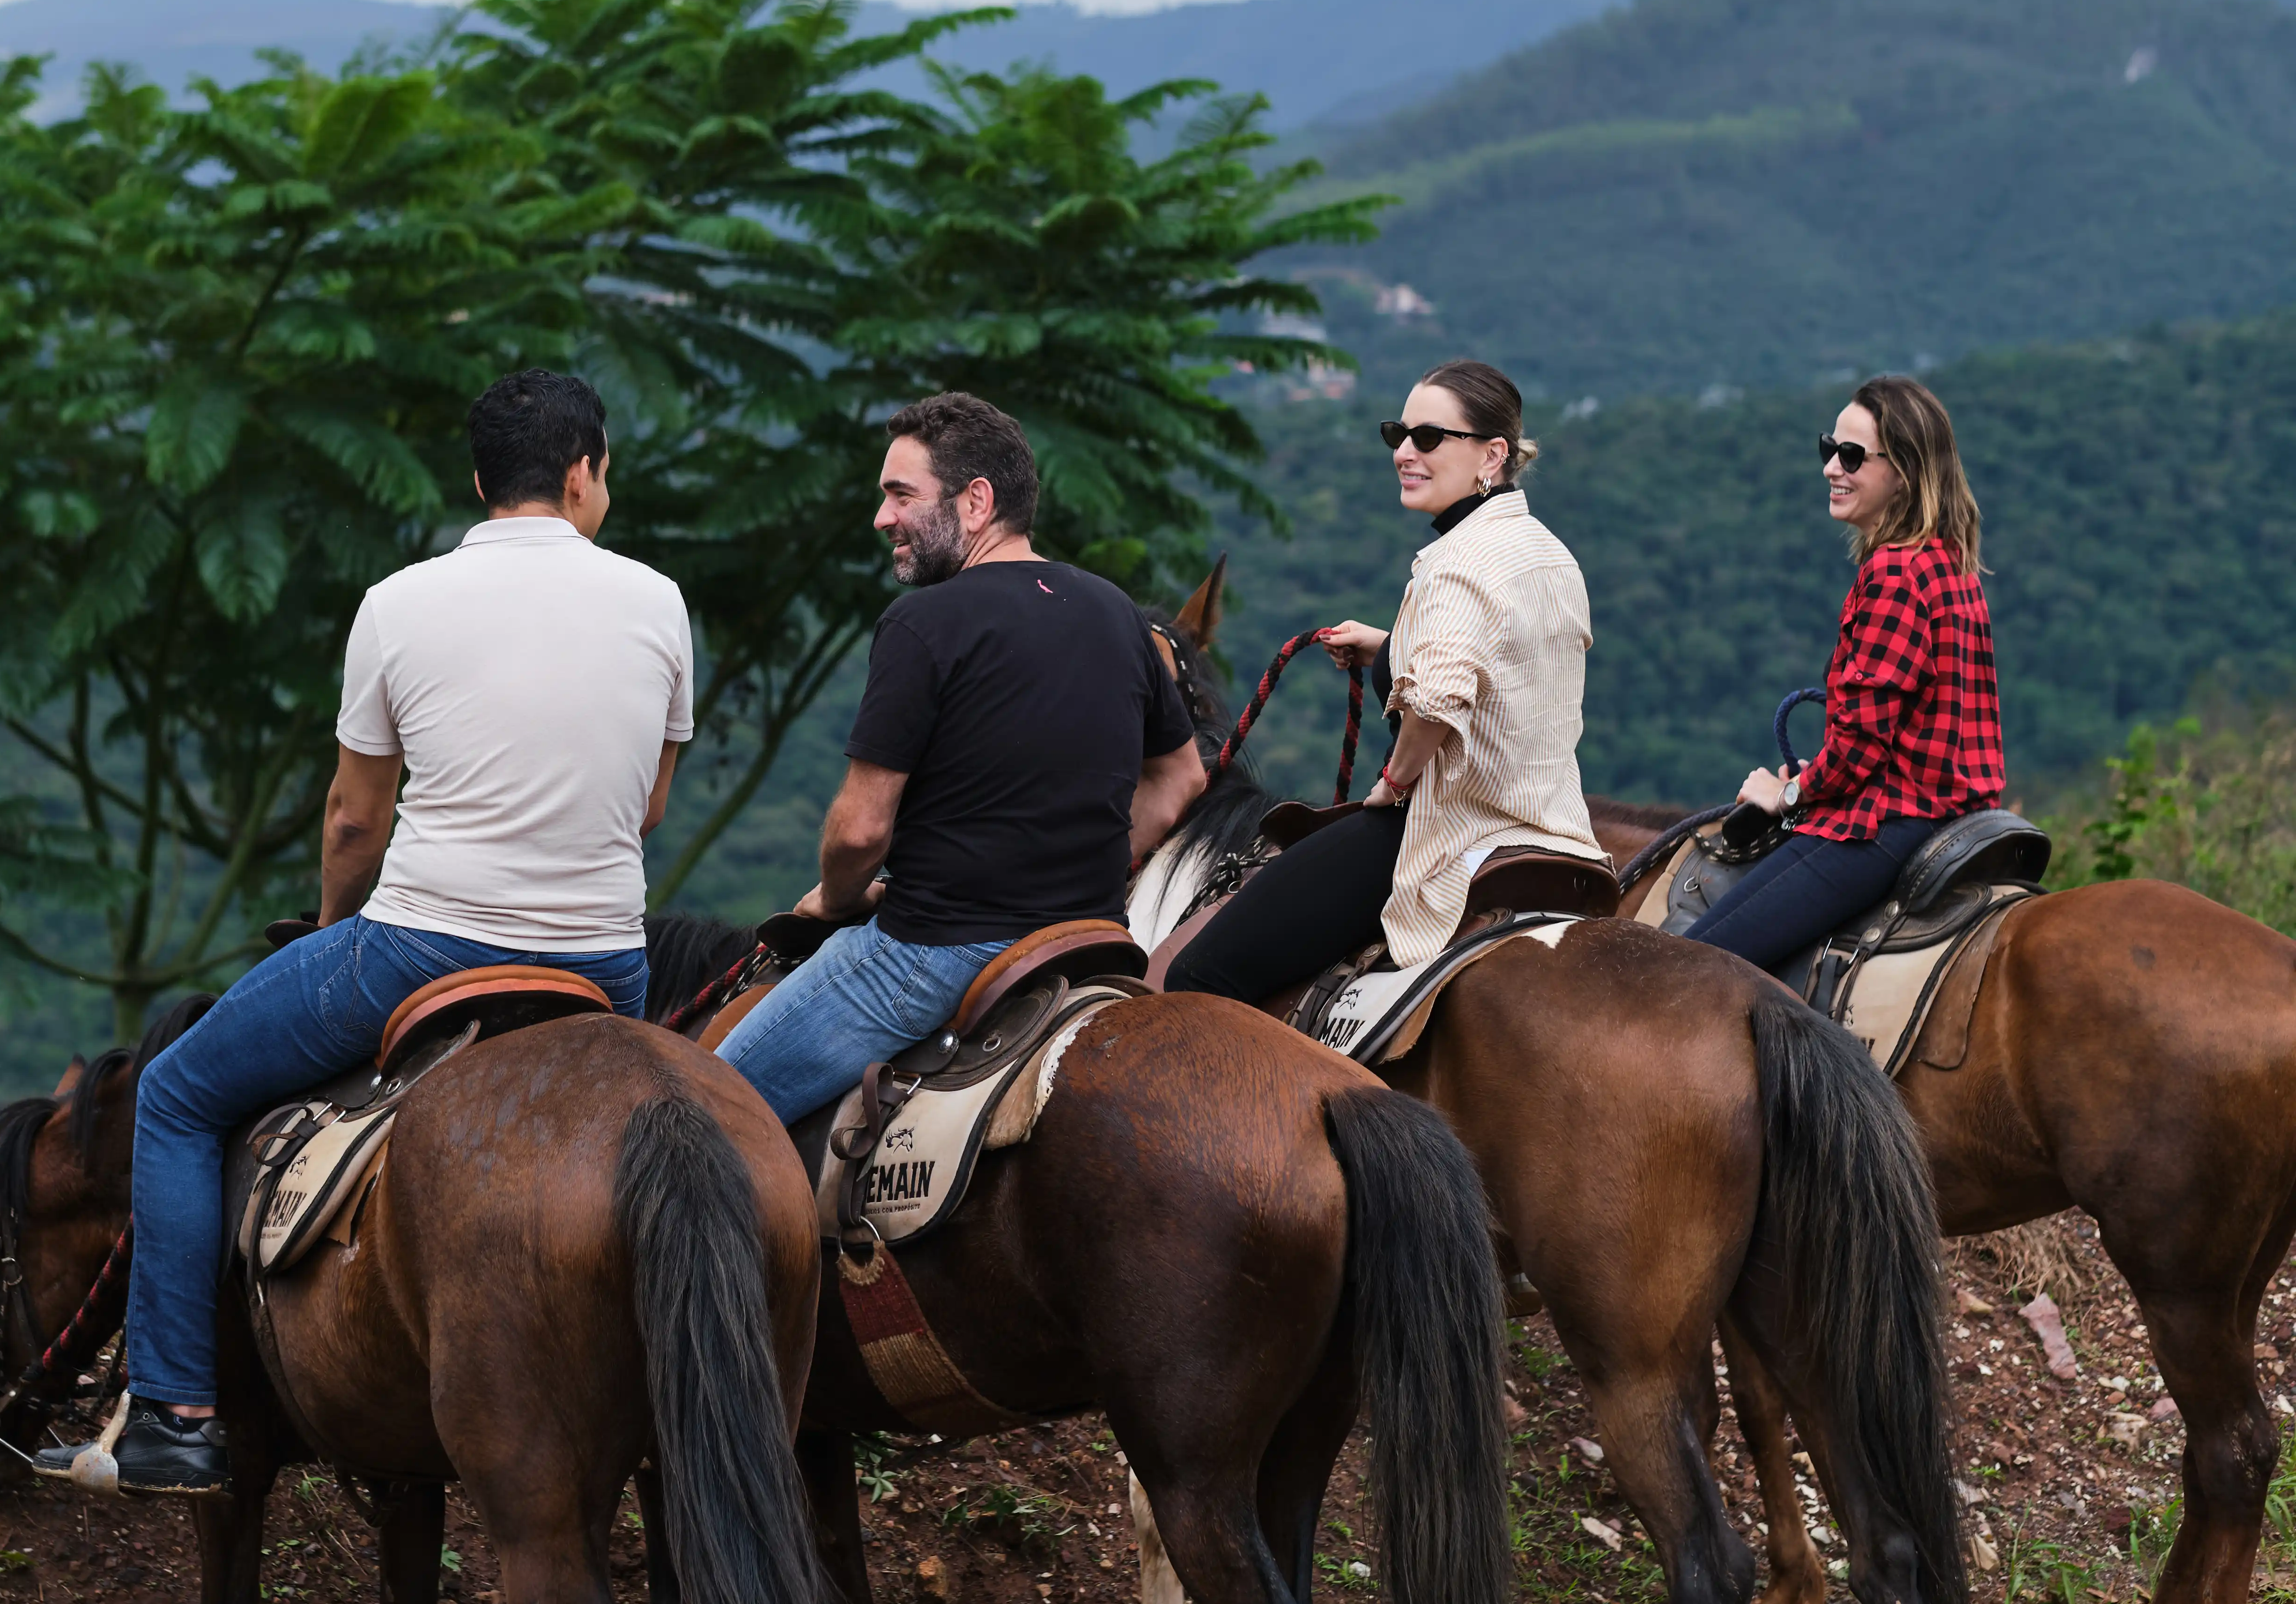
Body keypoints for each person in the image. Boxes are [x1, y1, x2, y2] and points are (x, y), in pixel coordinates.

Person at [56, 369, 695, 1495]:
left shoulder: (399, 602)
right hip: (604, 963)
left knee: (178, 1096)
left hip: (424, 947)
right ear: (587, 471)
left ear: (478, 479)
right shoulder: (657, 600)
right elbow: (644, 807)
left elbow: (356, 819)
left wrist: (327, 935)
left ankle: (174, 1412)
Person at [714, 392, 1207, 1124]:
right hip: (1093, 945)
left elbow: (859, 832)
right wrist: (1071, 861)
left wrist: (838, 898)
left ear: (977, 501)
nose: (883, 518)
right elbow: (1181, 779)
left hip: (931, 958)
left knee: (693, 1112)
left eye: (900, 495)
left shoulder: (923, 623)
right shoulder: (1117, 613)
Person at [1170, 360, 1603, 1001]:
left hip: (1448, 829)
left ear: (1493, 454)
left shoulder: (1457, 563)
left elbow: (1437, 701)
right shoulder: (1546, 551)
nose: (1404, 452)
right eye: (1397, 434)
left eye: (1429, 438)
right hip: (1554, 832)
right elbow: (1508, 662)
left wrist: (1394, 781)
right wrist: (1391, 646)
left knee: (1196, 977)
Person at [1680, 375, 2003, 969]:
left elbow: (1859, 750)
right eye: (1828, 447)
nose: (1832, 466)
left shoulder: (1894, 576)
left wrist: (1791, 793)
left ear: (1904, 470)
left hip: (1886, 826)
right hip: (1961, 817)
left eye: (1852, 456)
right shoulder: (1949, 562)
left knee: (1686, 967)